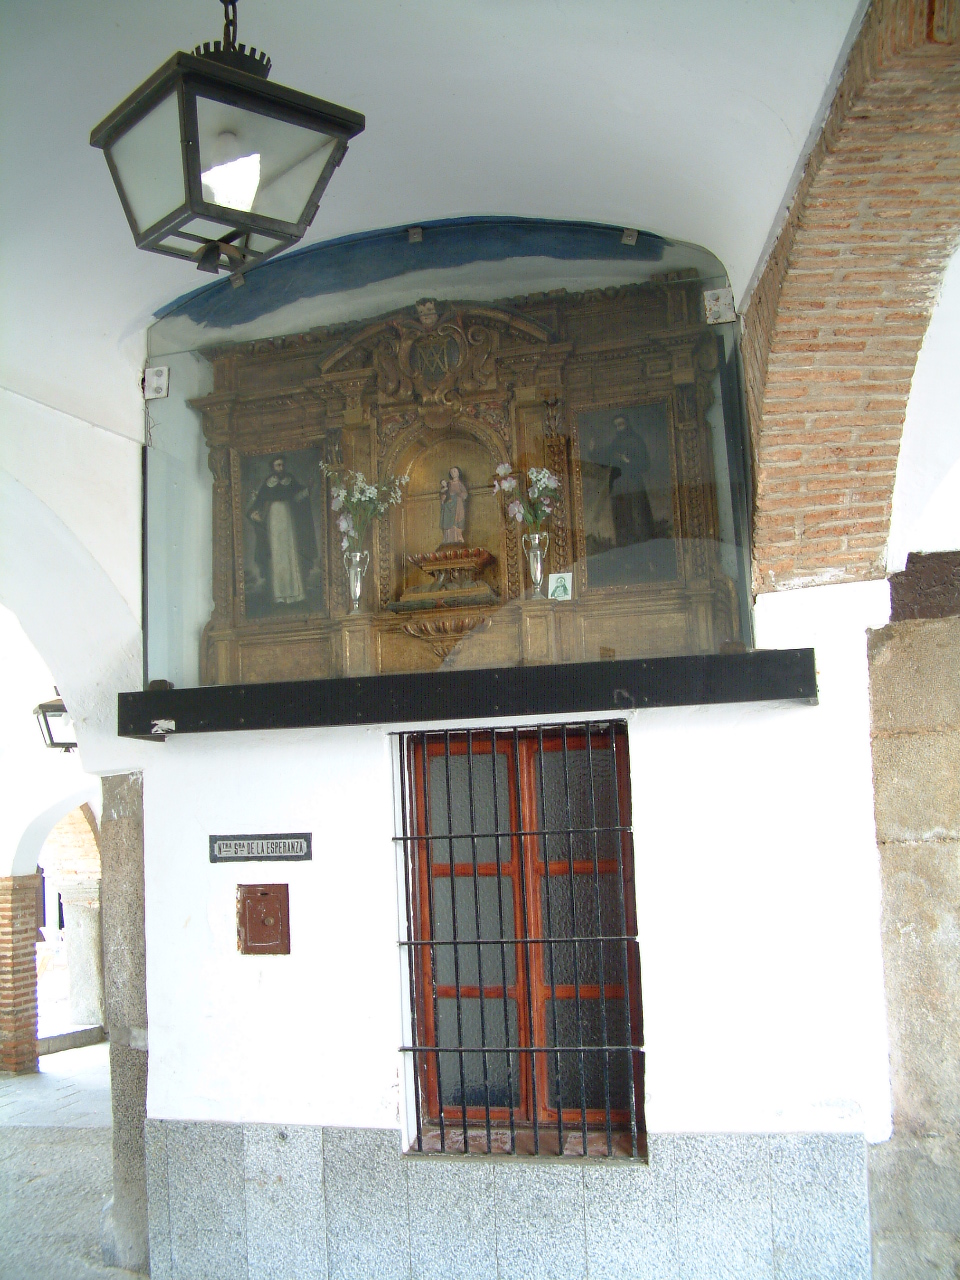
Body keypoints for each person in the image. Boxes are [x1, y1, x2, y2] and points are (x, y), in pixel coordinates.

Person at [247, 455, 319, 605]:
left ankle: (295, 594)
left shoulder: (290, 480)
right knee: (277, 554)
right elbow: (259, 501)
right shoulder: (268, 483)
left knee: (290, 552)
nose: (280, 468)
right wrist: (253, 513)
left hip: (288, 519)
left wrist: (308, 488)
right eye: (277, 465)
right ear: (273, 467)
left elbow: (298, 496)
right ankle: (279, 595)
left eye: (281, 465)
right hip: (273, 520)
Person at [606, 414, 655, 548]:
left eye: (621, 424)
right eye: (616, 426)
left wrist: (628, 461)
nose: (619, 428)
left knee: (638, 515)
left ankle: (645, 547)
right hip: (619, 486)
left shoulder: (636, 440)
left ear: (627, 424)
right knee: (622, 516)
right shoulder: (615, 443)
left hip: (633, 484)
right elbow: (606, 458)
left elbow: (645, 464)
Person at [439, 466, 468, 544]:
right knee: (447, 521)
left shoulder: (460, 484)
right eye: (451, 472)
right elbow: (443, 493)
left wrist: (458, 494)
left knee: (457, 520)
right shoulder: (448, 484)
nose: (453, 473)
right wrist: (443, 497)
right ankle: (447, 539)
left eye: (454, 471)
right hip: (448, 505)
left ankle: (458, 537)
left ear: (458, 472)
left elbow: (465, 495)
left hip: (457, 505)